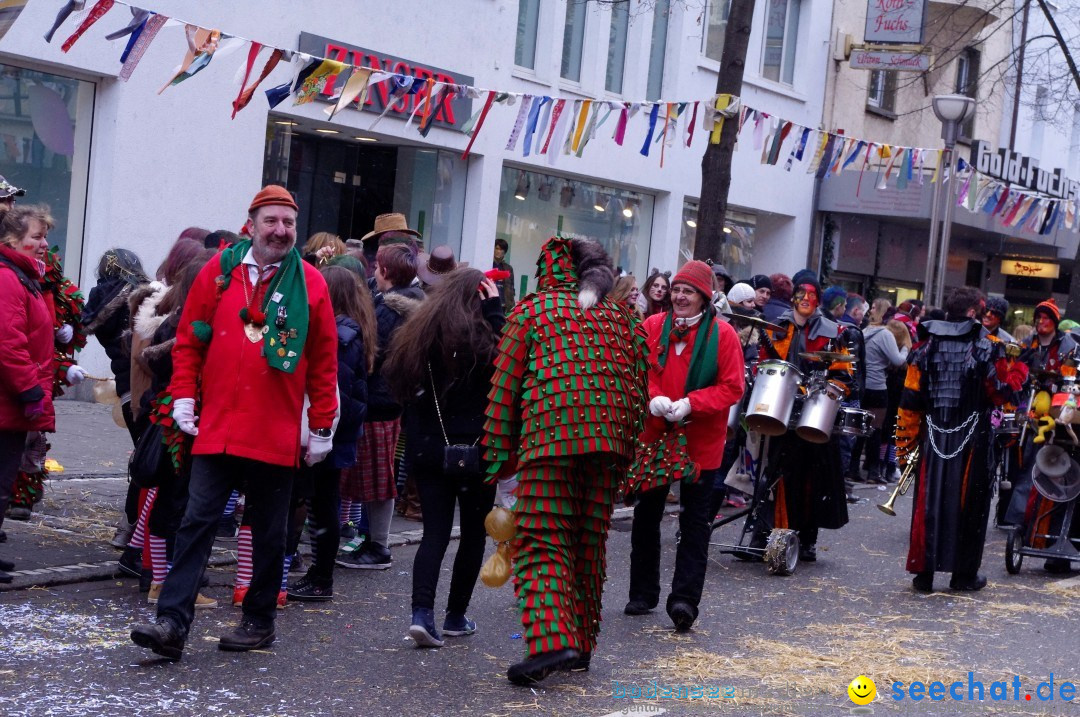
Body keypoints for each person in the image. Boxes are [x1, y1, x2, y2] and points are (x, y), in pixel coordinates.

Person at [130, 185, 338, 660]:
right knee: (195, 522)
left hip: (275, 428)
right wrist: (183, 395)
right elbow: (188, 341)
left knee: (267, 531)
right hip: (218, 426)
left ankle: (259, 621)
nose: (280, 230)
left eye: (288, 222)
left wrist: (322, 423)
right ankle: (172, 622)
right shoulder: (219, 273)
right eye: (271, 221)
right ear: (251, 224)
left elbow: (324, 359)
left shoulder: (312, 283)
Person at [481, 236, 648, 685]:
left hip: (548, 441)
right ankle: (582, 644)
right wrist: (627, 457)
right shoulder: (624, 318)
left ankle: (553, 642)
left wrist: (498, 459)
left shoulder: (532, 311)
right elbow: (638, 390)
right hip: (609, 445)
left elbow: (505, 389)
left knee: (541, 538)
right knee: (589, 541)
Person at [384, 268, 503, 647]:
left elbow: (403, 392)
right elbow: (507, 371)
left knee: (433, 534)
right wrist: (497, 313)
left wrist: (420, 440)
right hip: (476, 451)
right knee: (471, 536)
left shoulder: (420, 336)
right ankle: (454, 615)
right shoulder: (483, 341)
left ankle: (422, 614)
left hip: (429, 449)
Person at [625, 260, 744, 632]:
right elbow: (638, 369)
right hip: (656, 436)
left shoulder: (723, 336)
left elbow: (732, 387)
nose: (678, 296)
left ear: (704, 298)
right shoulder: (652, 326)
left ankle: (684, 600)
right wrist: (653, 397)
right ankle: (643, 592)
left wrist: (693, 402)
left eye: (687, 291)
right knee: (647, 515)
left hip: (700, 442)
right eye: (676, 289)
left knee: (695, 522)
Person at [895, 287, 1015, 592]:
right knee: (971, 506)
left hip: (933, 439)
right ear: (974, 313)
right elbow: (1000, 395)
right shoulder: (991, 347)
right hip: (973, 440)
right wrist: (1018, 376)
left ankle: (924, 574)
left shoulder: (923, 349)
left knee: (929, 504)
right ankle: (963, 576)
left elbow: (909, 403)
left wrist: (904, 447)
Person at [285, 265, 375, 602]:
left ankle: (320, 576)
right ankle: (318, 574)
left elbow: (335, 390)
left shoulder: (339, 336)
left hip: (329, 431)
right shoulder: (355, 329)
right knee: (324, 503)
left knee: (320, 504)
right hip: (340, 432)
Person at [753, 270, 852, 562]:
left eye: (812, 295)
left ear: (818, 299)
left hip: (816, 413)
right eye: (801, 293)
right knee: (779, 472)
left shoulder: (835, 332)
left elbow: (844, 376)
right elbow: (764, 365)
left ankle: (807, 538)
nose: (806, 299)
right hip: (780, 410)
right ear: (794, 295)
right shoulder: (776, 327)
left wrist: (829, 388)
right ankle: (773, 531)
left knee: (814, 478)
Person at [336, 243, 424, 570]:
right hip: (391, 400)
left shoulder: (389, 309)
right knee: (378, 476)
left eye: (377, 268)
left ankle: (379, 547)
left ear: (385, 271)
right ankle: (376, 544)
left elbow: (373, 355)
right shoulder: (410, 302)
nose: (373, 272)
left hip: (380, 400)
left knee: (378, 480)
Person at [0, 205, 57, 581]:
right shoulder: (9, 279)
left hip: (13, 402)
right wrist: (30, 390)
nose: (43, 244)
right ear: (12, 241)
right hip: (9, 400)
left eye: (43, 236)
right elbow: (8, 342)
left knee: (3, 482)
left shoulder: (24, 277)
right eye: (36, 237)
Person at [1003, 299, 1078, 530]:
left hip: (1057, 411)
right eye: (1039, 317)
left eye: (1046, 318)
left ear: (1054, 322)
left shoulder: (1068, 345)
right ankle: (1019, 519)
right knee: (1025, 465)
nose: (1041, 322)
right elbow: (1014, 373)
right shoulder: (1028, 344)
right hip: (1030, 409)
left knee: (1053, 466)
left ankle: (1050, 524)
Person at [83, 249, 150, 445]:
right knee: (155, 456)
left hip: (126, 386)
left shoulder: (99, 301)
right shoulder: (145, 295)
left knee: (143, 450)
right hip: (151, 383)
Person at [860, 304, 910, 484]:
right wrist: (905, 348)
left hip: (863, 385)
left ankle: (853, 470)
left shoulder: (865, 331)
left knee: (861, 429)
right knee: (876, 430)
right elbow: (897, 360)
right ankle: (875, 472)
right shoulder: (885, 335)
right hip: (878, 386)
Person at [492, 238, 516, 313]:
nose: (499, 251)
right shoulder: (488, 264)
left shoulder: (508, 268)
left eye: (502, 249)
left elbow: (511, 287)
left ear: (505, 252)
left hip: (504, 304)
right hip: (490, 302)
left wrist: (511, 304)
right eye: (497, 248)